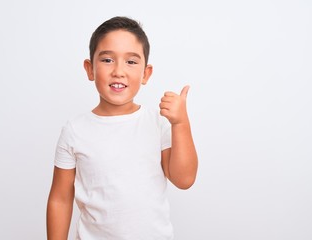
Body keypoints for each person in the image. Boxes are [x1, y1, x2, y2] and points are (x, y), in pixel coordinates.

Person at [46, 16, 198, 240]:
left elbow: (184, 180)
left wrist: (181, 123)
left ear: (146, 74)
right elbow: (60, 198)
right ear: (90, 69)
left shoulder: (158, 122)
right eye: (107, 60)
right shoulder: (75, 130)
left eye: (131, 62)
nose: (118, 71)